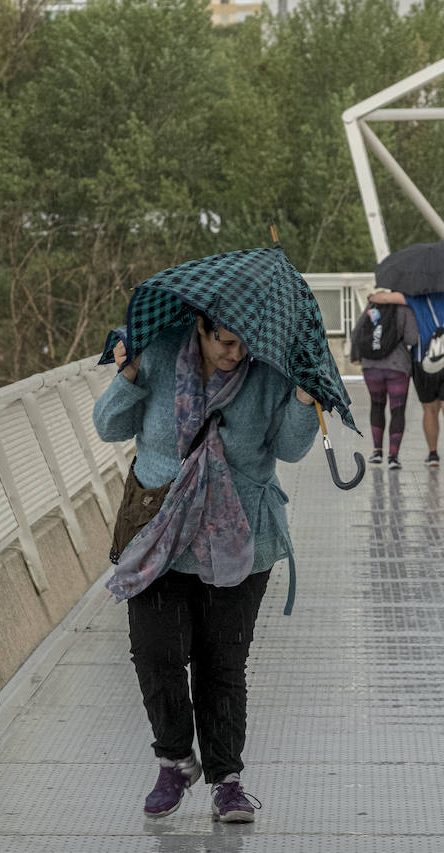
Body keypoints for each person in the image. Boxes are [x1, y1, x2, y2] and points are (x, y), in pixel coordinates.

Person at [92, 313, 319, 823]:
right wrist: (128, 374)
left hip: (241, 539)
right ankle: (174, 759)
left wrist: (305, 398)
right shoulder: (155, 352)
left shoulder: (272, 364)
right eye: (226, 342)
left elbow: (290, 448)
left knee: (222, 665)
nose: (236, 354)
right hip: (159, 535)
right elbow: (109, 426)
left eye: (244, 344)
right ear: (200, 327)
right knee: (155, 652)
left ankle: (227, 781)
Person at [369, 290, 444, 469]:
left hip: (423, 361)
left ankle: (433, 454)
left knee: (430, 409)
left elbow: (386, 298)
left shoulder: (415, 299)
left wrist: (372, 297)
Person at [348, 300, 418, 469]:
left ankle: (377, 452)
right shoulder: (404, 308)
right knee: (397, 409)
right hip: (397, 367)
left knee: (377, 405)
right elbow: (412, 338)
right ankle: (393, 456)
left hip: (371, 367)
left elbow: (356, 333)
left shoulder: (372, 306)